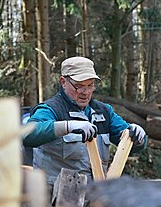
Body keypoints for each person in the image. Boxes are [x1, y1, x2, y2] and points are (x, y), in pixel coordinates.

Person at [22, 56, 147, 187]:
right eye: (79, 86)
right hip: (55, 200)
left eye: (90, 85)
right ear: (63, 82)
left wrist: (138, 137)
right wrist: (68, 126)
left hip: (94, 198)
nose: (86, 92)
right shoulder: (51, 109)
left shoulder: (103, 112)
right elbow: (28, 134)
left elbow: (130, 142)